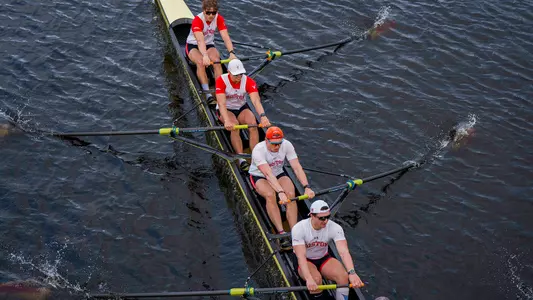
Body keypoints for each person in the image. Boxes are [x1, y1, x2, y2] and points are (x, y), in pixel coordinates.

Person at [248, 126, 315, 250]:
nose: (277, 147)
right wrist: (280, 192)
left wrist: (307, 187)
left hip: (278, 173)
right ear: (266, 140)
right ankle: (281, 233)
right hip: (259, 175)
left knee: (291, 193)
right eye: (274, 144)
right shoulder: (258, 150)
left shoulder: (287, 145)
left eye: (279, 143)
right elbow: (267, 174)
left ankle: (295, 232)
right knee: (270, 194)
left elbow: (296, 167)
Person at [292, 200, 364, 300]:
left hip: (323, 258)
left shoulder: (335, 228)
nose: (325, 221)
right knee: (316, 279)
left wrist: (352, 273)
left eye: (328, 217)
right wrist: (309, 278)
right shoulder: (299, 228)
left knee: (343, 277)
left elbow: (344, 252)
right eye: (321, 218)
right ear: (312, 216)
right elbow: (301, 257)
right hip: (305, 260)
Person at [216, 59, 270, 170]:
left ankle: (255, 158)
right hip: (226, 110)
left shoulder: (249, 81)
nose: (239, 77)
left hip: (241, 108)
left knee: (253, 125)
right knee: (234, 126)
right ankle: (241, 159)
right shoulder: (221, 80)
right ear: (229, 72)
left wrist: (263, 116)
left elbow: (256, 101)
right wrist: (226, 120)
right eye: (236, 75)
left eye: (240, 74)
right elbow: (221, 103)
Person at [185, 0, 237, 103]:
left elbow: (225, 37)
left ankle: (219, 91)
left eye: (214, 13)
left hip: (209, 44)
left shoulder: (219, 18)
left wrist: (232, 53)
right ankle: (207, 93)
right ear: (204, 11)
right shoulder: (197, 20)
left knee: (217, 61)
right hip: (193, 45)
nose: (211, 15)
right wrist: (204, 56)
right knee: (200, 62)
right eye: (208, 13)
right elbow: (200, 41)